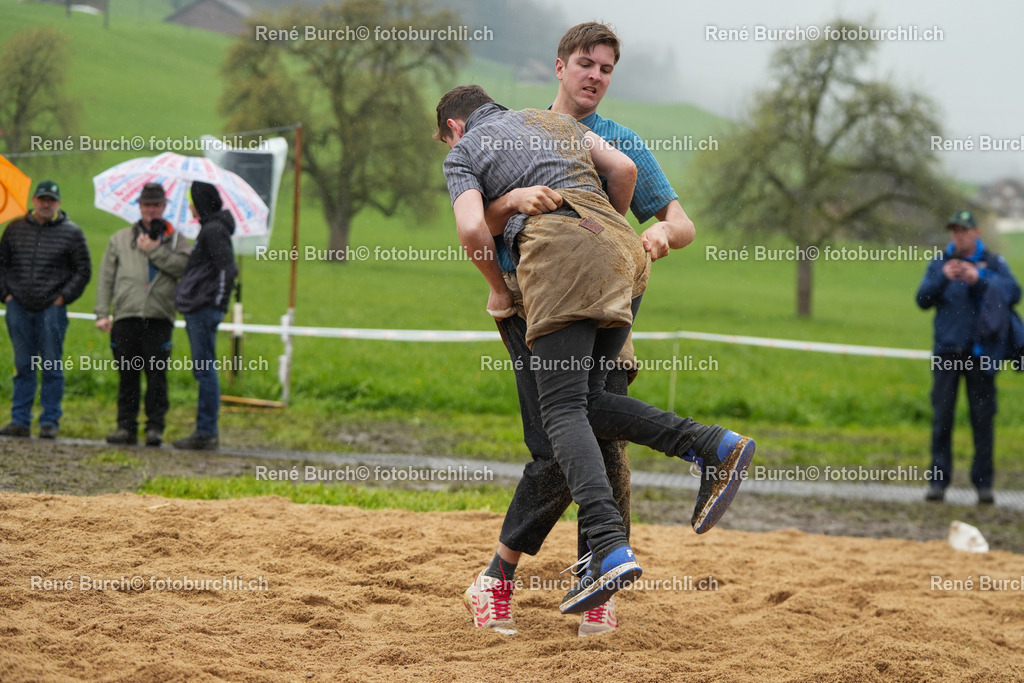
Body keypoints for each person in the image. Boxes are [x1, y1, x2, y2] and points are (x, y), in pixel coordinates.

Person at [438, 85, 755, 626]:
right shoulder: (554, 124)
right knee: (583, 411)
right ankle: (711, 445)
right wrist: (599, 232)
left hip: (554, 273)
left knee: (561, 420)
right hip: (622, 258)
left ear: (454, 128)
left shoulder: (465, 151)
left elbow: (470, 227)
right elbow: (624, 171)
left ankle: (602, 547)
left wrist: (495, 286)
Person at [463, 22, 700, 637]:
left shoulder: (620, 141)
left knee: (602, 442)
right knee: (556, 445)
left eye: (606, 69)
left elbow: (682, 222)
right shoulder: (518, 130)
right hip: (529, 308)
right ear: (560, 66)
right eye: (586, 64)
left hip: (606, 304)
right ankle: (499, 578)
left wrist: (660, 231)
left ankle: (592, 583)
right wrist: (513, 201)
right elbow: (476, 223)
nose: (595, 76)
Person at [916, 210, 1020, 505]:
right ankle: (938, 483)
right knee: (942, 419)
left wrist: (979, 279)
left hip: (981, 353)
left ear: (975, 232)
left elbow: (1014, 293)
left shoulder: (993, 263)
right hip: (947, 352)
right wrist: (942, 279)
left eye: (964, 230)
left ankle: (983, 485)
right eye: (955, 231)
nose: (959, 236)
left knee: (983, 420)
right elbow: (922, 300)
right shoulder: (940, 262)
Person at [94, 183, 191, 447]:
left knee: (157, 377)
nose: (151, 210)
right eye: (147, 205)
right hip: (126, 315)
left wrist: (155, 251)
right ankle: (125, 427)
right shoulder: (120, 239)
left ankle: (154, 428)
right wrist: (102, 312)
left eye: (156, 205)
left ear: (164, 207)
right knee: (128, 375)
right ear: (139, 207)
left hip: (159, 316)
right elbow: (106, 277)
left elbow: (184, 268)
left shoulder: (176, 240)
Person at [0, 180, 91, 439]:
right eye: (42, 199)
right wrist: (6, 295)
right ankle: (20, 419)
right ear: (34, 201)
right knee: (23, 364)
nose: (46, 204)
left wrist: (63, 297)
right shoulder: (14, 229)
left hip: (52, 308)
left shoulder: (72, 233)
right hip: (18, 305)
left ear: (58, 203)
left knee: (51, 365)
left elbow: (83, 270)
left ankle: (50, 420)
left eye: (51, 200)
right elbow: (1, 264)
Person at [172, 181, 237, 451]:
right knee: (204, 369)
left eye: (192, 202)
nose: (189, 207)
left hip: (203, 309)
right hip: (200, 307)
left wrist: (218, 305)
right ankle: (205, 430)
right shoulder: (211, 229)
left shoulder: (213, 231)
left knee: (205, 370)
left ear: (200, 203)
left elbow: (228, 270)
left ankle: (206, 432)